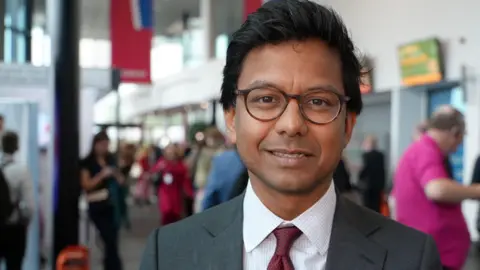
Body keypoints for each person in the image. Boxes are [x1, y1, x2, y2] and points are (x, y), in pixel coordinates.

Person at [140, 1, 441, 269]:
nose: (291, 124)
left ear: (348, 125)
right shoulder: (168, 252)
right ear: (231, 118)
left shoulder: (411, 257)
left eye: (319, 101)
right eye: (266, 99)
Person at [393, 105, 476, 270]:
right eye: (459, 140)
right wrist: (476, 191)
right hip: (434, 256)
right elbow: (437, 189)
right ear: (454, 132)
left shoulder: (422, 150)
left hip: (431, 253)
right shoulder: (426, 150)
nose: (457, 147)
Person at [80, 132, 123, 270]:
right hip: (97, 205)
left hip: (112, 205)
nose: (105, 148)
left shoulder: (111, 160)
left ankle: (111, 265)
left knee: (113, 241)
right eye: (103, 144)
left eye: (107, 145)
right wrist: (101, 175)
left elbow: (121, 181)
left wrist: (114, 173)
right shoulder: (87, 163)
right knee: (108, 238)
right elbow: (87, 185)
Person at [0, 131, 34, 270]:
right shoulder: (21, 171)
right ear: (17, 147)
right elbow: (30, 207)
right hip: (14, 228)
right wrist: (25, 222)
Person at [150, 144, 194, 225]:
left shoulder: (180, 164)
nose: (171, 153)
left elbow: (185, 179)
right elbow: (153, 172)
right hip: (165, 192)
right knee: (166, 212)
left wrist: (189, 193)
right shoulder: (162, 162)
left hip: (176, 193)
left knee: (176, 215)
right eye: (169, 151)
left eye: (173, 152)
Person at [359, 135, 386, 212]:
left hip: (368, 186)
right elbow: (382, 171)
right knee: (376, 207)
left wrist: (359, 179)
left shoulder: (366, 155)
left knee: (367, 208)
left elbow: (365, 170)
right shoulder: (381, 155)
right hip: (378, 186)